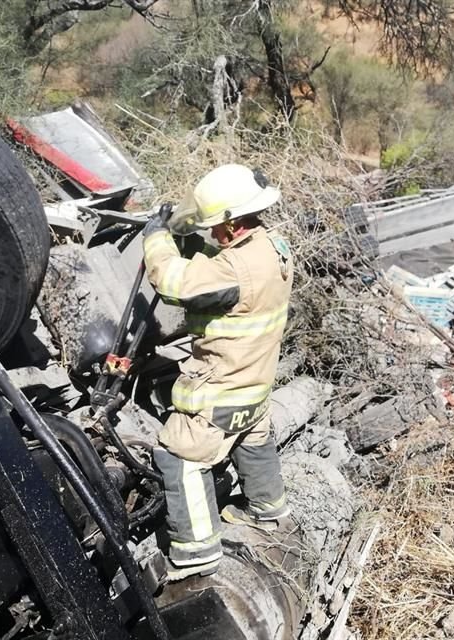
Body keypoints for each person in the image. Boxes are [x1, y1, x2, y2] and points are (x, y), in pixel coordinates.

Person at [142, 164, 294, 580]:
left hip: (222, 392)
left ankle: (197, 554)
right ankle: (271, 514)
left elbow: (173, 281)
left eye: (214, 228)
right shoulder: (276, 247)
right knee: (254, 439)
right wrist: (196, 244)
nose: (211, 235)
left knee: (179, 456)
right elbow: (235, 278)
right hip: (256, 385)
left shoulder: (232, 270)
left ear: (230, 224)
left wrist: (156, 237)